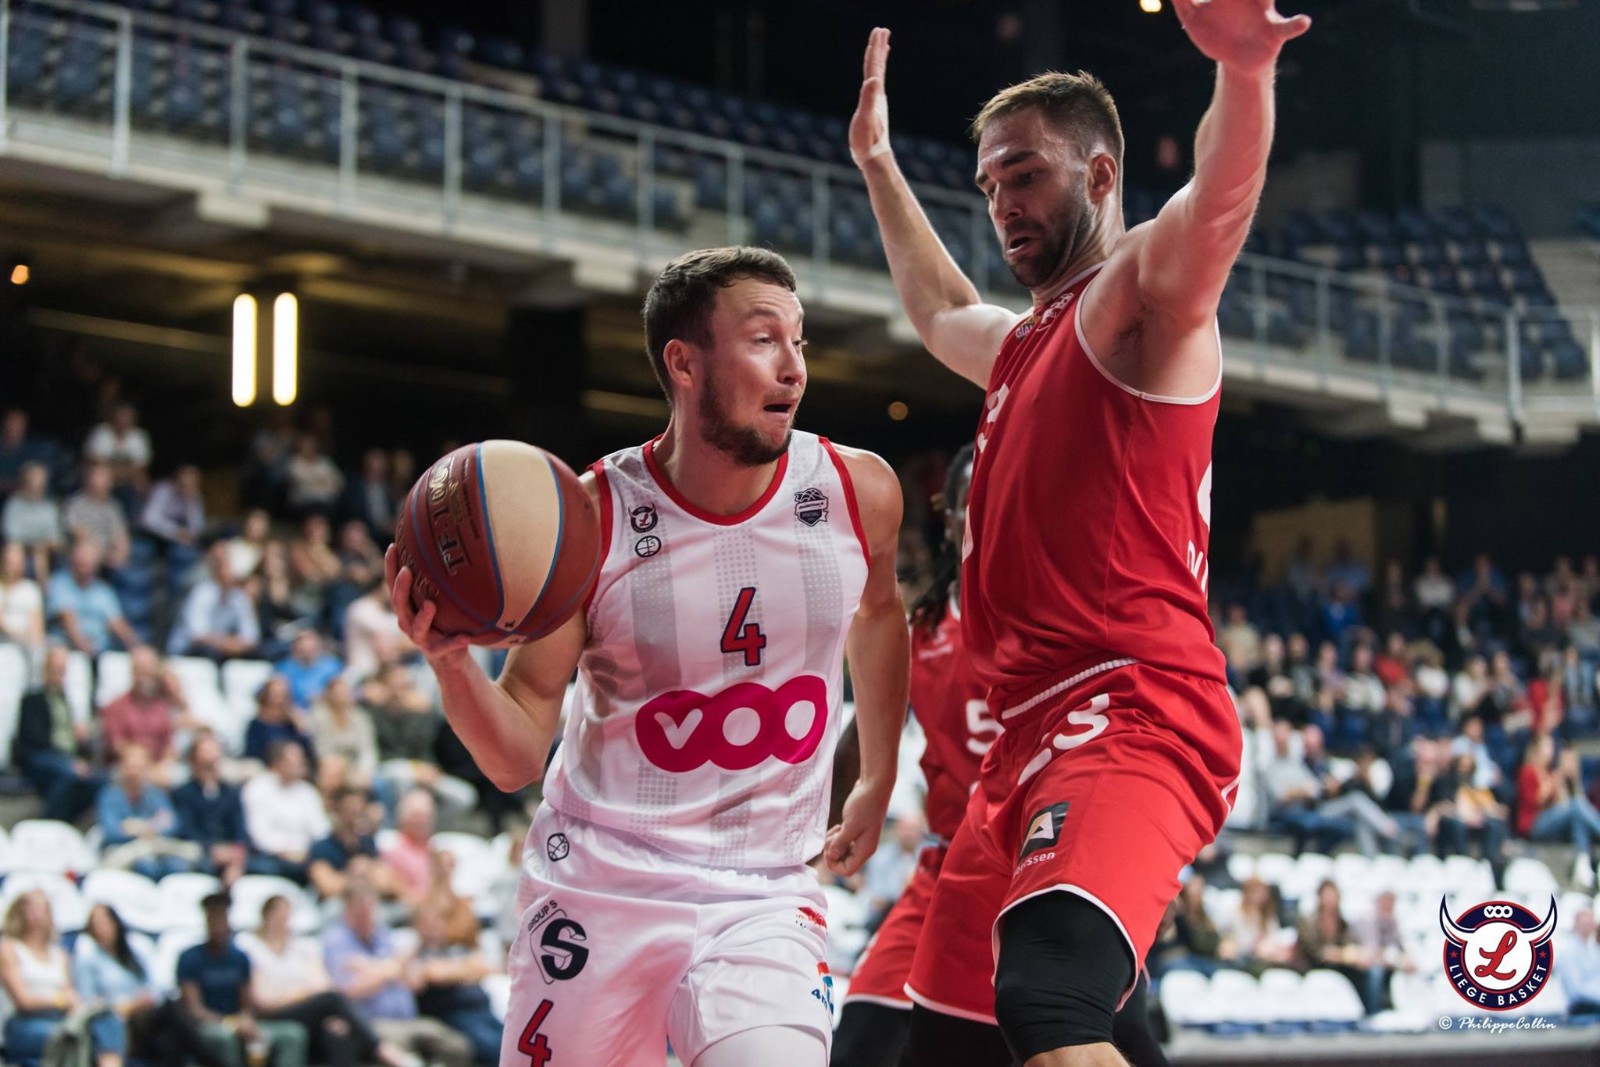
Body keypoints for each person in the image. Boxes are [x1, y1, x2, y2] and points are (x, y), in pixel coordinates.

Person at [850, 4, 1310, 1061]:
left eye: (1024, 176)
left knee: (1050, 1000)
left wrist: (1244, 74)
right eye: (989, 187)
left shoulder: (1135, 300)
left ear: (1101, 176)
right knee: (947, 1043)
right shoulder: (1024, 342)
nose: (1002, 205)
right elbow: (938, 310)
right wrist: (878, 165)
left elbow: (1217, 204)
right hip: (1023, 736)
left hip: (1128, 706)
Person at [389, 245, 909, 1066]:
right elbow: (517, 754)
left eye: (798, 341)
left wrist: (877, 773)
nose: (794, 368)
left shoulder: (858, 491)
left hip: (763, 892)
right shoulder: (591, 522)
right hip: (601, 884)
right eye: (764, 340)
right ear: (684, 363)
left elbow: (880, 614)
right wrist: (450, 662)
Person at [826, 447, 1171, 1067]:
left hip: (1050, 867)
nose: (979, 518)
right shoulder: (922, 630)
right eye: (967, 505)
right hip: (948, 872)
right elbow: (862, 740)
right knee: (861, 1042)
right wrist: (815, 833)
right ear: (950, 518)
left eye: (992, 503)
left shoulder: (1061, 618)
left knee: (1107, 1037)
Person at [242, 896, 419, 1067]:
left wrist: (317, 1005)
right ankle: (382, 1050)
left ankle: (380, 1049)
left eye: (286, 915)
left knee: (338, 1033)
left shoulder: (302, 946)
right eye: (277, 915)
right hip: (274, 1013)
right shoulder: (252, 947)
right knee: (333, 1000)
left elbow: (323, 985)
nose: (282, 921)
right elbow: (264, 1000)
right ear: (265, 917)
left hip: (308, 1010)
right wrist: (303, 993)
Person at [322, 883, 472, 1067]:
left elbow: (415, 981)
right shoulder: (336, 940)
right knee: (402, 1053)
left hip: (410, 1020)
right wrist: (393, 967)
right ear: (348, 911)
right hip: (373, 1024)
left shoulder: (383, 936)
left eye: (370, 909)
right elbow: (349, 990)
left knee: (457, 1047)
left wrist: (374, 969)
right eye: (361, 911)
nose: (367, 916)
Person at [75, 903, 228, 1067]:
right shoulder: (88, 959)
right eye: (97, 925)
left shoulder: (133, 952)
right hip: (118, 1022)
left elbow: (155, 988)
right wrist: (129, 1005)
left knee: (167, 1039)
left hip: (148, 1016)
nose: (102, 929)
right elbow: (89, 1004)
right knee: (172, 1011)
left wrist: (145, 1000)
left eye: (106, 923)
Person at [177, 893, 309, 1067]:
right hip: (209, 1026)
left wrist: (245, 1020)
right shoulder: (189, 958)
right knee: (224, 1037)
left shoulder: (239, 957)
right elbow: (194, 1010)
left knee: (293, 1034)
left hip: (240, 1022)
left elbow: (247, 1003)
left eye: (222, 918)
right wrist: (230, 1023)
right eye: (214, 919)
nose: (219, 926)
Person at [0, 891, 124, 1067]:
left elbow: (69, 994)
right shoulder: (9, 948)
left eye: (42, 908)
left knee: (109, 1021)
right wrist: (60, 1000)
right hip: (24, 1023)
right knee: (71, 1038)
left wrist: (83, 1006)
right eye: (31, 907)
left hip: (61, 1018)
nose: (37, 913)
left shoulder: (60, 954)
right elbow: (23, 1001)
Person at [10, 644, 102, 821]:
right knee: (68, 776)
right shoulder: (32, 699)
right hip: (41, 757)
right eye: (55, 669)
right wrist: (69, 762)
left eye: (62, 670)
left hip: (67, 758)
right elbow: (34, 739)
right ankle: (51, 820)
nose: (59, 674)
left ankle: (68, 820)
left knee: (100, 781)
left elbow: (71, 739)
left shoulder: (65, 700)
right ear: (45, 670)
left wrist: (80, 737)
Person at [97, 742, 198, 880]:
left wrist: (137, 827)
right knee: (145, 866)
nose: (134, 772)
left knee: (177, 865)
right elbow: (112, 831)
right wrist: (149, 826)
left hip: (156, 847)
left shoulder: (155, 794)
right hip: (124, 850)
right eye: (130, 767)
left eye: (139, 768)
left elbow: (171, 824)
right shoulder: (110, 795)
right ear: (121, 767)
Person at [100, 646, 197, 782]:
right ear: (132, 671)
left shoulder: (162, 706)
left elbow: (169, 744)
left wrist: (163, 765)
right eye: (141, 669)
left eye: (149, 669)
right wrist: (144, 765)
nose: (145, 674)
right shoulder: (116, 706)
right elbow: (118, 745)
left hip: (158, 768)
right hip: (128, 767)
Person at [241, 740, 330, 884]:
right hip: (271, 857)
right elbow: (259, 834)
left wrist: (308, 852)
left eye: (301, 760)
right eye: (294, 761)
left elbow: (321, 831)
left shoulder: (308, 792)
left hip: (306, 856)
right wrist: (286, 852)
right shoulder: (258, 788)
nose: (301, 765)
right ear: (278, 763)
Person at [173, 730, 254, 883]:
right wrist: (211, 848)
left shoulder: (230, 792)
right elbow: (186, 829)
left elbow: (239, 826)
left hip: (230, 851)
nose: (211, 756)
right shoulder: (184, 793)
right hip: (201, 850)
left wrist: (236, 850)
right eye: (206, 751)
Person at [47, 541, 141, 656]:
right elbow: (67, 619)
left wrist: (137, 647)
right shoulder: (60, 582)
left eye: (87, 562)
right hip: (69, 649)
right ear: (72, 561)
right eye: (80, 561)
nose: (83, 565)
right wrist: (86, 649)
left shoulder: (103, 591)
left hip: (100, 651)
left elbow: (117, 624)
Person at [168, 544, 261, 660]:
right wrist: (230, 643)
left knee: (258, 654)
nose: (231, 574)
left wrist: (232, 645)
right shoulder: (201, 592)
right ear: (217, 571)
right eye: (228, 568)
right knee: (211, 653)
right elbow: (198, 636)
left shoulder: (239, 597)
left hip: (222, 650)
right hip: (185, 650)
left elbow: (252, 637)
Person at [63, 462, 131, 570]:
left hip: (108, 556)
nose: (100, 482)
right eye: (97, 478)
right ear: (89, 480)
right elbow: (78, 534)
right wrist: (99, 553)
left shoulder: (114, 507)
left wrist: (121, 554)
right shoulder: (76, 504)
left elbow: (121, 535)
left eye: (105, 478)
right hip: (83, 554)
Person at [2, 461, 63, 581]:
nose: (36, 485)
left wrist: (41, 544)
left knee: (40, 555)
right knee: (14, 550)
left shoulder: (49, 507)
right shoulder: (13, 505)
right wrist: (35, 543)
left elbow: (55, 539)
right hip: (20, 550)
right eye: (33, 481)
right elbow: (11, 535)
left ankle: (44, 590)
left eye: (40, 482)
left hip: (43, 552)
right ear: (25, 482)